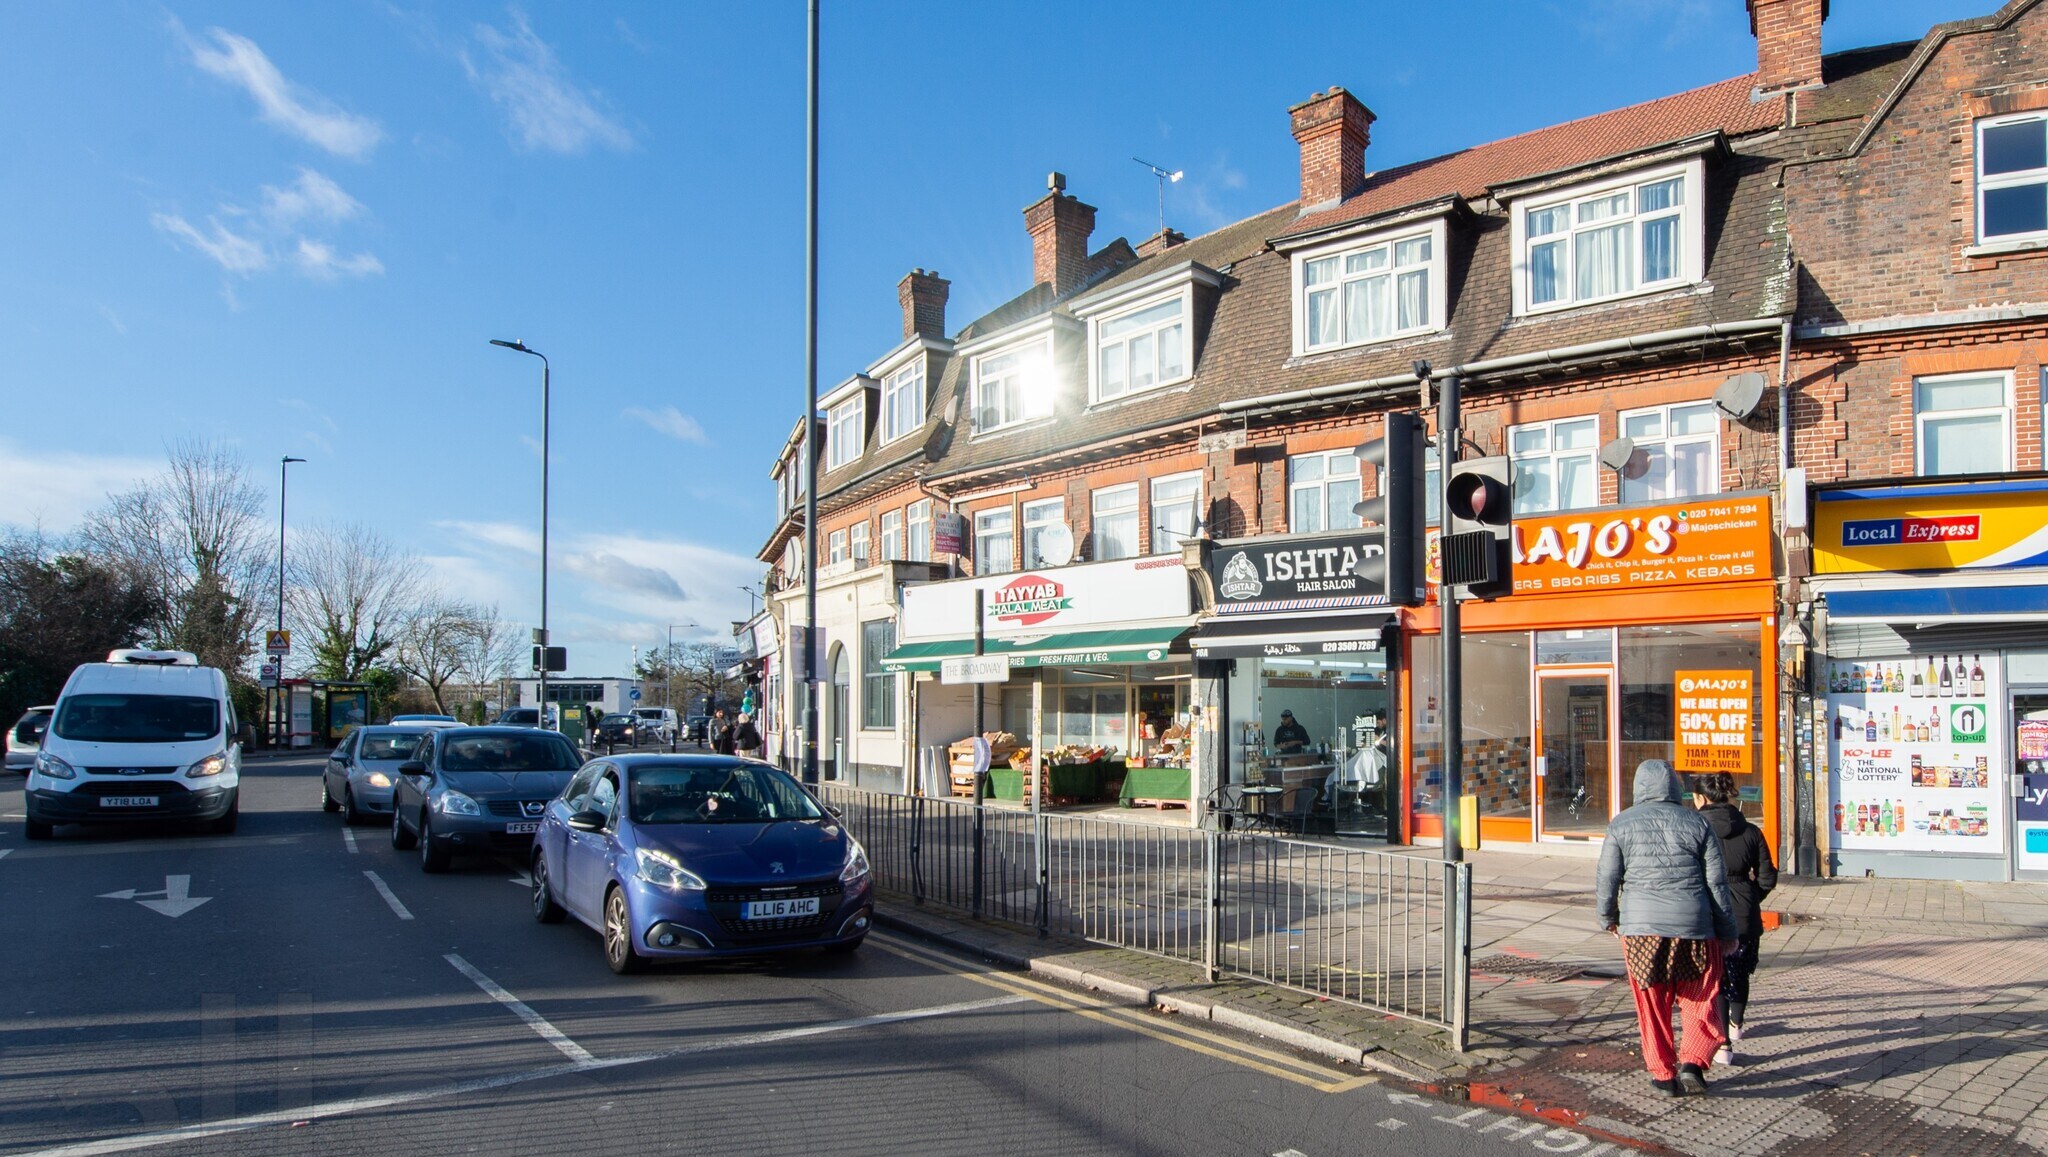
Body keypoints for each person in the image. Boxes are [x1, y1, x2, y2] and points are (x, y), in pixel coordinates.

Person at [1595, 759, 1738, 1098]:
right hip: (1695, 927)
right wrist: (1728, 931)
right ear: (1675, 787)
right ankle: (1693, 1063)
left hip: (1641, 931)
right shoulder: (1697, 823)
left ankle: (1662, 1074)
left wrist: (1608, 917)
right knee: (1700, 997)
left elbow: (1607, 877)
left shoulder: (1621, 824)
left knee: (1652, 1003)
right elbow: (1716, 883)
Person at [1692, 771, 1777, 1063]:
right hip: (1744, 915)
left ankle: (1724, 1046)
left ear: (1701, 798)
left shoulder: (1695, 829)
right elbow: (1767, 877)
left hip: (1708, 914)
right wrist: (1751, 897)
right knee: (1740, 973)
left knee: (1717, 979)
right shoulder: (1752, 831)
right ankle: (1737, 1024)